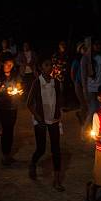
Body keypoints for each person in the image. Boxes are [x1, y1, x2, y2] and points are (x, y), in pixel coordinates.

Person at [27, 56, 64, 191]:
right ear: (41, 67)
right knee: (41, 148)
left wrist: (59, 113)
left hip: (53, 120)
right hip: (41, 120)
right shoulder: (37, 83)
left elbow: (59, 99)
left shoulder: (56, 82)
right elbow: (29, 103)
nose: (49, 67)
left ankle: (57, 180)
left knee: (56, 150)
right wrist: (38, 118)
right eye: (46, 65)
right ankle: (33, 163)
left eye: (50, 65)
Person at [0, 52, 23, 165]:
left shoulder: (15, 74)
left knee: (10, 130)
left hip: (13, 106)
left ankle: (8, 154)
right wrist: (4, 91)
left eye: (11, 64)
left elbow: (19, 85)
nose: (9, 66)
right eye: (7, 64)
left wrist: (18, 90)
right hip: (2, 106)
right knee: (5, 130)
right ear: (2, 63)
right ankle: (5, 155)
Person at [82, 38, 101, 131]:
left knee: (100, 109)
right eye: (95, 44)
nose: (98, 46)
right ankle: (85, 129)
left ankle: (97, 129)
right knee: (93, 108)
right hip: (91, 88)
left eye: (99, 44)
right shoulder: (85, 58)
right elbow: (83, 75)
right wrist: (84, 89)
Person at [70, 41, 88, 126]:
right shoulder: (77, 60)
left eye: (85, 48)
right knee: (83, 102)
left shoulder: (88, 59)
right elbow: (72, 73)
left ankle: (82, 116)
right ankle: (83, 118)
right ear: (79, 50)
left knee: (85, 102)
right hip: (79, 84)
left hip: (86, 83)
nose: (85, 49)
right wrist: (75, 83)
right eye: (83, 48)